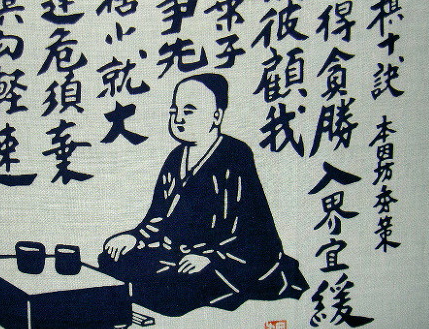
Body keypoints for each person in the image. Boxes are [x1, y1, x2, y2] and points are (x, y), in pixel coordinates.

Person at [98, 73, 309, 316]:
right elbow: (158, 216)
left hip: (224, 261)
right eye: (174, 111)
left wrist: (212, 258)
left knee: (173, 290)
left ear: (216, 116)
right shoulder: (176, 157)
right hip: (175, 256)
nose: (178, 118)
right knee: (110, 259)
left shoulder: (235, 155)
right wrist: (135, 237)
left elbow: (255, 234)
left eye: (189, 111)